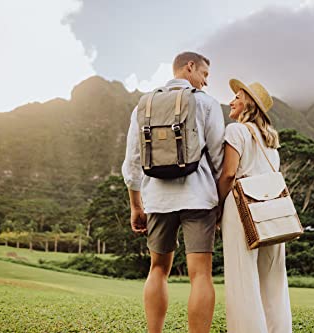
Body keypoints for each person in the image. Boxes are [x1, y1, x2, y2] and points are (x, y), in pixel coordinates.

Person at [122, 51, 225, 333]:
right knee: (200, 274)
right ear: (189, 67)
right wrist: (220, 204)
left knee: (158, 270)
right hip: (199, 198)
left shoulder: (144, 105)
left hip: (157, 199)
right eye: (204, 74)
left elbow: (132, 162)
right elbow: (218, 158)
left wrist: (136, 206)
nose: (205, 82)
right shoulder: (207, 103)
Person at [217, 79, 293, 333]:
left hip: (241, 207)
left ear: (248, 103)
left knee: (243, 277)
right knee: (273, 279)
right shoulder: (272, 143)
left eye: (237, 97)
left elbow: (228, 174)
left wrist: (217, 210)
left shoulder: (236, 131)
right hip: (271, 210)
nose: (231, 101)